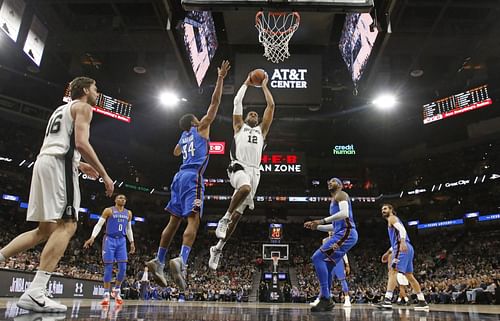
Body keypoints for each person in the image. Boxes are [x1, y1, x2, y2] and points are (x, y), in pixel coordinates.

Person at [0, 77, 114, 313]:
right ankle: (36, 292)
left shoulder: (60, 110)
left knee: (45, 230)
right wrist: (104, 174)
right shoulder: (84, 107)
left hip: (45, 162)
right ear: (84, 90)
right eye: (95, 88)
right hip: (58, 167)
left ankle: (1, 256)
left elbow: (61, 144)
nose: (97, 92)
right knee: (68, 225)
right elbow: (81, 143)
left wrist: (80, 165)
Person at [146, 60, 230, 290]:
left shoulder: (183, 138)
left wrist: (185, 139)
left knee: (173, 221)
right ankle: (182, 261)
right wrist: (220, 78)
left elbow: (175, 152)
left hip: (177, 177)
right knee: (194, 219)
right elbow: (215, 102)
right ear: (194, 121)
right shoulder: (201, 126)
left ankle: (159, 259)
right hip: (193, 177)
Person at [209, 71, 276, 270]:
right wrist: (246, 83)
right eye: (251, 113)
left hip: (255, 171)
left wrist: (264, 86)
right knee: (244, 189)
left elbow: (271, 106)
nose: (254, 114)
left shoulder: (262, 130)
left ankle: (218, 248)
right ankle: (224, 217)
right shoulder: (239, 127)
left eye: (256, 114)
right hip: (238, 166)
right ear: (246, 118)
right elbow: (237, 102)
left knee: (238, 216)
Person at [304, 177, 358, 312]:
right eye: (328, 181)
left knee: (317, 258)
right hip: (342, 232)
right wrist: (317, 227)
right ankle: (325, 298)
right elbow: (334, 227)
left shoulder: (341, 194)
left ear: (340, 185)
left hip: (347, 233)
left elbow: (345, 214)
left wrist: (321, 221)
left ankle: (326, 298)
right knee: (327, 265)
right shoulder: (333, 201)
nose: (330, 182)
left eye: (333, 181)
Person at [83, 194, 136, 305]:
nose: (122, 199)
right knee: (109, 266)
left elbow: (128, 229)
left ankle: (116, 290)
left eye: (124, 198)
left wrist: (132, 242)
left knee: (123, 268)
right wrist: (92, 237)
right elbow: (99, 225)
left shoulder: (129, 213)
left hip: (122, 241)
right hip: (109, 239)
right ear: (115, 200)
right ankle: (106, 294)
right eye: (120, 197)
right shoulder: (108, 210)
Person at [377, 203, 429, 310]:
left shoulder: (392, 218)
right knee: (410, 276)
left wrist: (403, 242)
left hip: (402, 246)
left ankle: (387, 300)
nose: (383, 210)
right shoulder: (392, 220)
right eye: (382, 209)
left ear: (391, 209)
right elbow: (395, 240)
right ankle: (422, 301)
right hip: (407, 248)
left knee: (392, 271)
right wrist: (388, 252)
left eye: (385, 208)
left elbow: (402, 230)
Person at [309, 230, 351, 307]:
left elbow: (344, 252)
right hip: (328, 260)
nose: (331, 232)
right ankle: (321, 299)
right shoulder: (325, 240)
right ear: (328, 232)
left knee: (342, 279)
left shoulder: (339, 239)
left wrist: (347, 264)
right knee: (325, 281)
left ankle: (347, 299)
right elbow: (323, 252)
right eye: (329, 231)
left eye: (332, 230)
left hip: (338, 261)